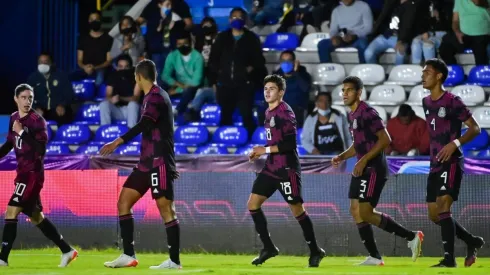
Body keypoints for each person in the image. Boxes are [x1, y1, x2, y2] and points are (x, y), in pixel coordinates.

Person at [331, 76, 424, 266]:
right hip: (362, 167)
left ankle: (411, 236)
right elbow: (359, 144)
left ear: (359, 93)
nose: (345, 94)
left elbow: (385, 139)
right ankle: (375, 257)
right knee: (355, 210)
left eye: (349, 90)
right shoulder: (352, 115)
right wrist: (341, 156)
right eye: (343, 90)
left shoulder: (368, 113)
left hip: (373, 169)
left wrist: (363, 161)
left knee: (365, 212)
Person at [100, 59, 180, 269]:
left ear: (138, 77)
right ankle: (128, 255)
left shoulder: (155, 96)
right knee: (123, 203)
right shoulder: (150, 96)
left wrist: (119, 141)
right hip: (145, 162)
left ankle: (174, 260)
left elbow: (145, 123)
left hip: (159, 161)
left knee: (166, 209)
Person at [248, 75, 325, 268]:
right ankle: (268, 247)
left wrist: (264, 150)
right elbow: (275, 141)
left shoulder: (285, 112)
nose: (267, 92)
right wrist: (262, 151)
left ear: (281, 92)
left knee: (297, 209)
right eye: (265, 88)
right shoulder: (268, 112)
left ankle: (315, 250)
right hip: (271, 167)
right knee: (253, 204)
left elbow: (290, 143)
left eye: (272, 88)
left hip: (287, 169)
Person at [0, 84, 77, 267]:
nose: (28, 101)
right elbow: (9, 144)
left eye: (30, 98)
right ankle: (67, 250)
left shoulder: (37, 121)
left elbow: (41, 150)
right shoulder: (13, 118)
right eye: (24, 97)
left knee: (11, 211)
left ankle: (2, 258)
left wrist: (22, 133)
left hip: (32, 174)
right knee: (36, 217)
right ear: (16, 99)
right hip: (22, 174)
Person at [421, 58, 485, 268]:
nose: (423, 75)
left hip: (451, 162)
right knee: (434, 214)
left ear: (439, 76)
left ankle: (449, 260)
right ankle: (471, 241)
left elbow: (475, 128)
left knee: (443, 207)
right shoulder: (426, 102)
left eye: (427, 72)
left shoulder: (452, 101)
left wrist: (454, 144)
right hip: (434, 163)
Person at [208, 7, 266, 140]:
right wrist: (215, 80)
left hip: (245, 85)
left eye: (240, 17)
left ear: (244, 20)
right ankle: (225, 142)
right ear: (229, 20)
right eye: (234, 17)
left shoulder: (251, 38)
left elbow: (259, 61)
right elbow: (213, 60)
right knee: (225, 115)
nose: (237, 20)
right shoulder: (222, 37)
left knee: (247, 115)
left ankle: (251, 143)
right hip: (225, 85)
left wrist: (248, 71)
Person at [162, 32, 204, 117]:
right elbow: (165, 75)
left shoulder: (198, 57)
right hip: (180, 86)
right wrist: (178, 85)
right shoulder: (173, 55)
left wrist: (177, 90)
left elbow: (196, 82)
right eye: (179, 44)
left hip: (194, 89)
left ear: (190, 43)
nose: (182, 46)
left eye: (185, 43)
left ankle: (177, 112)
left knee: (189, 90)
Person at [27, 53, 74, 125]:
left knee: (63, 115)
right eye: (40, 62)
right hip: (41, 109)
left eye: (46, 62)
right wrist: (35, 108)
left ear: (52, 63)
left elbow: (69, 94)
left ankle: (62, 135)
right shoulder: (33, 78)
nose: (43, 64)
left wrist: (62, 105)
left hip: (57, 108)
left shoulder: (61, 76)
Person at [438, 0, 490, 65]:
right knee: (445, 46)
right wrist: (457, 32)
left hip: (481, 33)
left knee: (481, 59)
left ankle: (481, 72)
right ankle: (456, 71)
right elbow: (455, 20)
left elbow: (478, 2)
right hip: (464, 34)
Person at [73, 11, 113, 86]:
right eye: (92, 19)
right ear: (89, 21)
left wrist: (95, 67)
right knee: (71, 77)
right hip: (85, 68)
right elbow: (79, 60)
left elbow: (109, 61)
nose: (94, 22)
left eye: (96, 19)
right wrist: (84, 67)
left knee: (99, 79)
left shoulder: (108, 39)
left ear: (100, 21)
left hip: (101, 69)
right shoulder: (83, 38)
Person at [99, 55, 141, 128]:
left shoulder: (137, 77)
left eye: (126, 67)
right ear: (117, 67)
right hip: (117, 110)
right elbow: (108, 94)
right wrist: (111, 99)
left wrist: (120, 98)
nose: (123, 69)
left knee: (132, 104)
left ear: (131, 67)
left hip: (131, 110)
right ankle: (105, 130)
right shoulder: (112, 76)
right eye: (120, 66)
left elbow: (136, 97)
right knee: (104, 104)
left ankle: (131, 132)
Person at [273, 50, 311, 127]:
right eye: (283, 61)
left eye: (289, 60)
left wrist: (296, 73)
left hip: (297, 109)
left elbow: (306, 88)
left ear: (294, 62)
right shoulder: (276, 75)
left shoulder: (303, 74)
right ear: (280, 62)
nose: (286, 63)